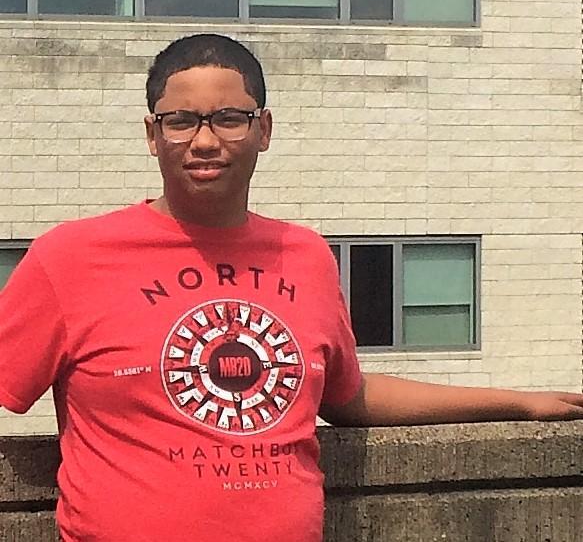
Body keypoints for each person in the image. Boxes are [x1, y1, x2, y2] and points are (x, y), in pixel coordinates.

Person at [0, 33, 582, 542]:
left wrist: (516, 403)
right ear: (154, 135)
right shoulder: (71, 257)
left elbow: (348, 396)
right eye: (180, 121)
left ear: (264, 130)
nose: (204, 141)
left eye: (229, 118)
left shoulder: (305, 256)